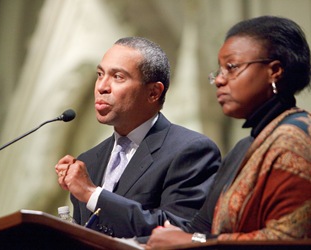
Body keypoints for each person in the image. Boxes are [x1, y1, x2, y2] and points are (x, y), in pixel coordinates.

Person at [146, 15, 311, 249]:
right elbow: (200, 227)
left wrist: (192, 240)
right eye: (219, 70)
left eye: (231, 68)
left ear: (274, 70)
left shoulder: (294, 138)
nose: (219, 80)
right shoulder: (246, 146)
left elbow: (289, 240)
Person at [55, 37, 221, 238]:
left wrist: (91, 193)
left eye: (118, 77)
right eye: (100, 74)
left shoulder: (191, 151)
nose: (102, 87)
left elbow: (180, 231)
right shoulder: (89, 160)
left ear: (153, 93)